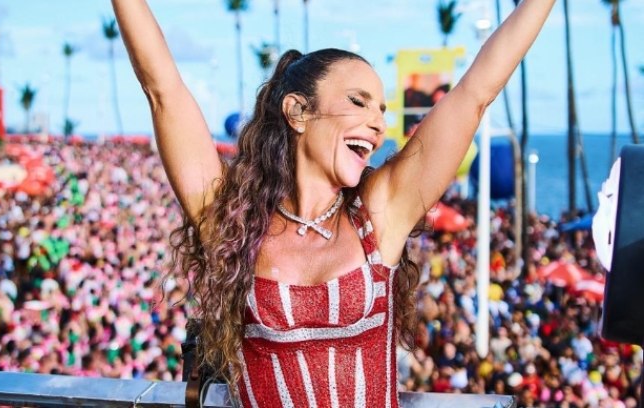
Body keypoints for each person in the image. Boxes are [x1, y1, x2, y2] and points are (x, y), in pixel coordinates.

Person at [111, 0, 556, 406]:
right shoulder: (233, 220)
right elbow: (162, 89)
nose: (378, 124)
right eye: (359, 102)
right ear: (297, 112)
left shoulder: (380, 214)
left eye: (381, 111)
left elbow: (475, 92)